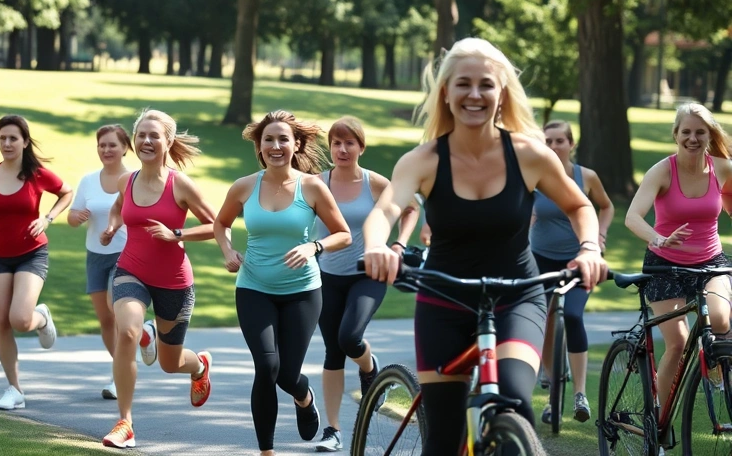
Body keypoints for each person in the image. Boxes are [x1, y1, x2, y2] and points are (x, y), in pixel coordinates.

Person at [361, 38, 607, 456]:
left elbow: (580, 205)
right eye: (463, 84)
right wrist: (376, 247)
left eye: (486, 85)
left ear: (502, 93)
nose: (474, 94)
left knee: (512, 399)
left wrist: (588, 248)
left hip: (517, 297)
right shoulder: (422, 160)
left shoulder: (530, 155)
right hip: (443, 298)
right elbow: (385, 210)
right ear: (445, 93)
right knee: (444, 436)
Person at [214, 110, 352, 456]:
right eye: (268, 140)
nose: (276, 146)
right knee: (267, 367)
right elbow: (221, 224)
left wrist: (313, 246)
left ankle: (303, 397)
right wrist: (228, 250)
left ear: (296, 144)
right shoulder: (245, 185)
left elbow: (343, 234)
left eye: (283, 139)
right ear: (259, 146)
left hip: (303, 293)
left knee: (287, 375)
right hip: (253, 288)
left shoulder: (313, 187)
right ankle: (267, 451)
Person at [99, 109, 217, 449]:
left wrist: (177, 234)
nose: (146, 141)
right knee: (129, 332)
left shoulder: (179, 184)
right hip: (131, 270)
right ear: (133, 141)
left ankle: (200, 366)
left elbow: (216, 225)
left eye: (154, 136)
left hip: (174, 282)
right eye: (141, 135)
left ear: (168, 142)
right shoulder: (127, 180)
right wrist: (112, 226)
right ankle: (125, 422)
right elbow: (120, 207)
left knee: (169, 362)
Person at [312, 116, 419, 452]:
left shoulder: (374, 183)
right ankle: (332, 430)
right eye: (336, 143)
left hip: (367, 274)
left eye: (349, 143)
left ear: (361, 147)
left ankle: (370, 367)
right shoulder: (316, 183)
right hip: (327, 276)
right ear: (330, 147)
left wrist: (399, 244)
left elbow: (411, 206)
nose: (342, 149)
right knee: (332, 351)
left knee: (349, 337)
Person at [0, 115, 74, 410]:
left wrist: (47, 218)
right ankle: (15, 389)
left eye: (13, 138)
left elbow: (66, 192)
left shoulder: (36, 174)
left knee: (20, 319)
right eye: (2, 138)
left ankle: (42, 318)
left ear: (24, 142)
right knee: (2, 322)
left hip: (31, 253)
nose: (7, 143)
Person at [625, 102, 732, 411]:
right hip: (664, 264)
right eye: (686, 132)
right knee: (678, 342)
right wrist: (660, 238)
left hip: (710, 262)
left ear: (709, 135)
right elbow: (632, 217)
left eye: (700, 132)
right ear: (676, 135)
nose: (693, 139)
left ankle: (715, 374)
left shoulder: (722, 167)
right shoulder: (661, 171)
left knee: (722, 320)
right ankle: (658, 415)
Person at [531, 120, 614, 424]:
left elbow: (605, 206)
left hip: (578, 261)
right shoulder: (535, 176)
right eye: (547, 142)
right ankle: (553, 391)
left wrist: (599, 237)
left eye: (558, 141)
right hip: (540, 259)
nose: (553, 147)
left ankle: (580, 393)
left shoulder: (586, 177)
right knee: (545, 319)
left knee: (573, 316)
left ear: (571, 144)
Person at [68, 124, 134, 400]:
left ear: (125, 148)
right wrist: (78, 216)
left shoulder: (133, 179)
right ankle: (120, 371)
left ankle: (121, 375)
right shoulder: (88, 180)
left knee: (115, 309)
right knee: (105, 319)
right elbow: (71, 218)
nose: (106, 150)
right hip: (95, 256)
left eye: (112, 145)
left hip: (125, 255)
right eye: (101, 145)